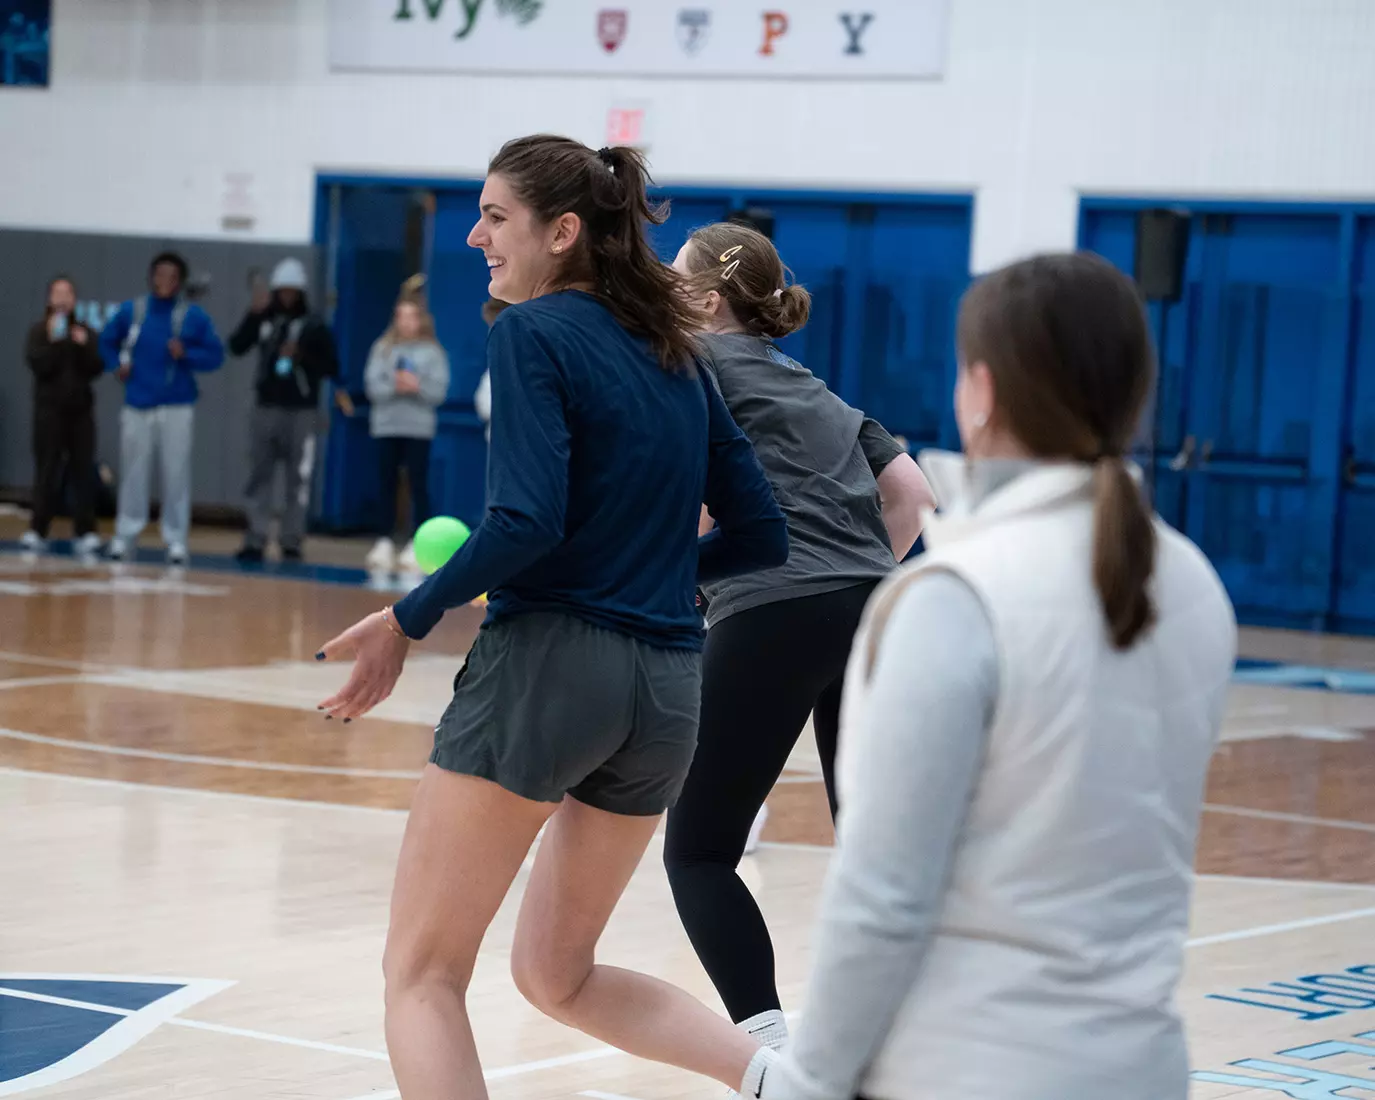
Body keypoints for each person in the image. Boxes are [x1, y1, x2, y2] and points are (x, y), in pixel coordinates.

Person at [315, 135, 789, 1100]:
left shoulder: (527, 334)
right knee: (555, 975)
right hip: (665, 689)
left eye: (494, 216)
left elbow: (524, 521)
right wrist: (660, 576)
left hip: (551, 669)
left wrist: (404, 620)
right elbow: (763, 534)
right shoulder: (677, 357)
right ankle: (784, 1083)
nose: (474, 236)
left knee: (421, 976)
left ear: (561, 231)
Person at [762, 252, 1238, 1100]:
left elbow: (882, 899)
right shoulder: (1193, 579)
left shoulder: (950, 596)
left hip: (967, 1069)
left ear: (979, 391)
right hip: (1143, 1069)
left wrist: (808, 1085)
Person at [662, 221, 936, 1053]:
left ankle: (771, 1053)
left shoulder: (686, 367)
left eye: (675, 279)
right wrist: (852, 577)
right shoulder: (820, 390)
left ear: (708, 300)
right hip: (876, 613)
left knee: (701, 851)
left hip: (772, 608)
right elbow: (913, 495)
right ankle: (906, 1036)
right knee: (868, 846)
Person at [99, 251, 225, 564]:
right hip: (138, 404)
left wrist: (187, 354)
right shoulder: (133, 311)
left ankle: (176, 540)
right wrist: (117, 365)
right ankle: (125, 536)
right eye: (159, 274)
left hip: (177, 406)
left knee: (176, 474)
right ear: (152, 277)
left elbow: (216, 355)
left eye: (171, 276)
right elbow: (106, 341)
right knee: (133, 474)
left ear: (180, 281)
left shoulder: (192, 317)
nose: (164, 281)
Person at [228, 257, 340, 563]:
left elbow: (332, 366)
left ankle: (291, 539)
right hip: (266, 408)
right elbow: (236, 346)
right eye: (283, 291)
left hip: (301, 412)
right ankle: (255, 536)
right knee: (259, 475)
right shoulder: (265, 320)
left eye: (293, 292)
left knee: (297, 480)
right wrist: (253, 315)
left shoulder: (315, 325)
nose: (287, 297)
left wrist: (302, 355)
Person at [363, 283, 450, 573]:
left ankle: (418, 542)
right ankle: (385, 540)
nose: (406, 322)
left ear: (421, 319)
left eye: (411, 316)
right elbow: (372, 385)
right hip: (386, 426)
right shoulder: (382, 348)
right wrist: (394, 386)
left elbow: (438, 391)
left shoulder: (433, 352)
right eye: (401, 316)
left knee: (418, 484)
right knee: (385, 482)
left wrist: (417, 386)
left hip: (418, 428)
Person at [21, 276, 106, 555]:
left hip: (80, 413)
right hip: (49, 413)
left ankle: (85, 531)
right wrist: (56, 341)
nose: (62, 298)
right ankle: (38, 529)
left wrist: (83, 346)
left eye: (67, 293)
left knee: (82, 471)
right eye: (57, 293)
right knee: (47, 470)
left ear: (74, 300)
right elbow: (40, 366)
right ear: (49, 299)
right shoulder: (39, 331)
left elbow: (96, 367)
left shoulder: (85, 331)